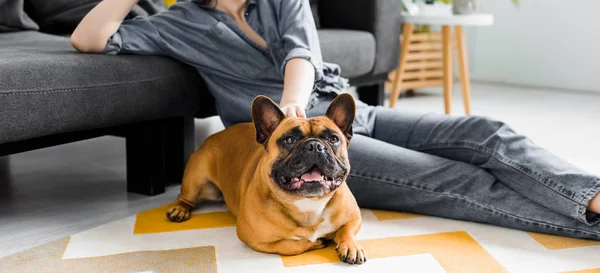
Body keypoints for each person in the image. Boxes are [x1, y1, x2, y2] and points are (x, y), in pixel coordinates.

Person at [71, 0, 600, 240]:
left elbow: (301, 51)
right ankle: (587, 226)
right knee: (450, 179)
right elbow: (88, 39)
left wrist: (300, 107)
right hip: (286, 150)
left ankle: (590, 195)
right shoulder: (176, 22)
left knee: (482, 131)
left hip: (340, 118)